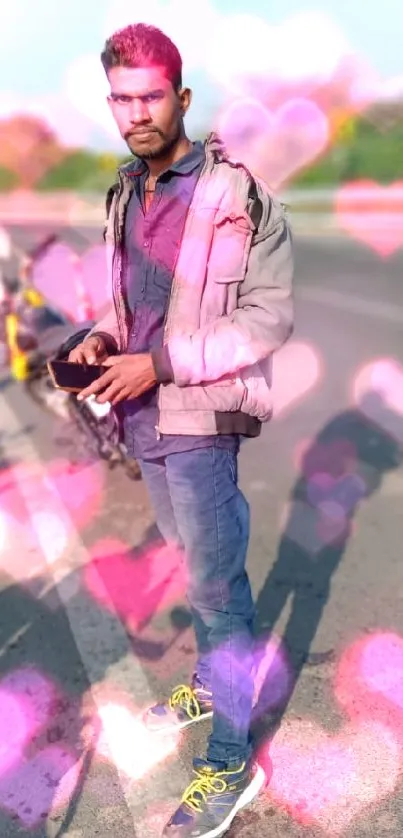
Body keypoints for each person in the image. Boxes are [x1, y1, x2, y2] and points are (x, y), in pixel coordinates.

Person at [69, 22, 294, 838]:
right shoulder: (126, 189)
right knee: (193, 565)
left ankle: (231, 763)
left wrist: (157, 364)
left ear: (181, 98)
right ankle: (211, 677)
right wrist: (104, 335)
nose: (137, 113)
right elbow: (139, 304)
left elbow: (265, 319)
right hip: (142, 419)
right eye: (123, 99)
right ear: (111, 104)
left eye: (151, 96)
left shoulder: (234, 193)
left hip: (198, 413)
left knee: (216, 588)